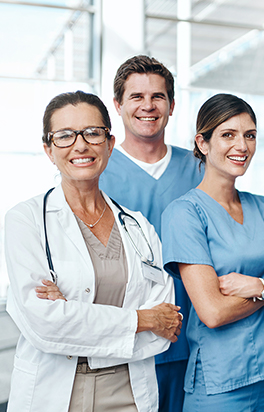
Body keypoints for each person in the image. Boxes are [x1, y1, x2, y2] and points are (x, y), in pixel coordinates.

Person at [5, 91, 181, 412]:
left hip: (130, 389)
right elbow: (45, 323)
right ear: (49, 149)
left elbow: (166, 320)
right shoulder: (25, 219)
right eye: (65, 136)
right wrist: (141, 319)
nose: (81, 145)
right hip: (56, 390)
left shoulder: (137, 226)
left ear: (110, 144)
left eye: (93, 133)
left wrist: (73, 312)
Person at [161, 94, 264, 411]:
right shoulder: (184, 214)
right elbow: (212, 312)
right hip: (218, 386)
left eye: (250, 135)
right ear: (202, 142)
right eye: (228, 135)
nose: (242, 146)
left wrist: (258, 286)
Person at [99, 55, 204, 412]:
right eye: (136, 96)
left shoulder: (201, 168)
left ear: (172, 105)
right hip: (125, 339)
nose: (148, 106)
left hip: (192, 338)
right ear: (118, 105)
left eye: (157, 96)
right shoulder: (97, 171)